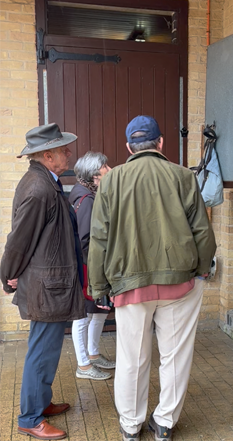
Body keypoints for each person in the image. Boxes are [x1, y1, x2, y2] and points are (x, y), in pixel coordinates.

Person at [88, 115, 217, 441]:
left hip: (129, 284)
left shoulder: (111, 181)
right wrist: (201, 270)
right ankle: (164, 424)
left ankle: (131, 426)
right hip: (180, 283)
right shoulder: (183, 176)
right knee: (175, 356)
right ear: (161, 143)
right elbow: (203, 232)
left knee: (132, 358)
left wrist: (99, 286)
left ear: (129, 147)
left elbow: (99, 238)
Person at [0, 123, 86, 441]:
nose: (69, 153)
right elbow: (19, 241)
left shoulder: (46, 181)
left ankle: (41, 403)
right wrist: (7, 274)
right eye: (63, 149)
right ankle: (29, 418)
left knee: (47, 349)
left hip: (51, 285)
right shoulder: (39, 188)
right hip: (46, 288)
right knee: (41, 350)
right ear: (47, 155)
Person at [69, 151, 115, 380]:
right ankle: (84, 366)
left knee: (98, 311)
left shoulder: (86, 193)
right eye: (105, 166)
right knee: (84, 315)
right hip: (88, 266)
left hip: (92, 265)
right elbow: (85, 240)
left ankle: (94, 354)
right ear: (95, 174)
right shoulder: (86, 200)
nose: (109, 168)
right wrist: (99, 269)